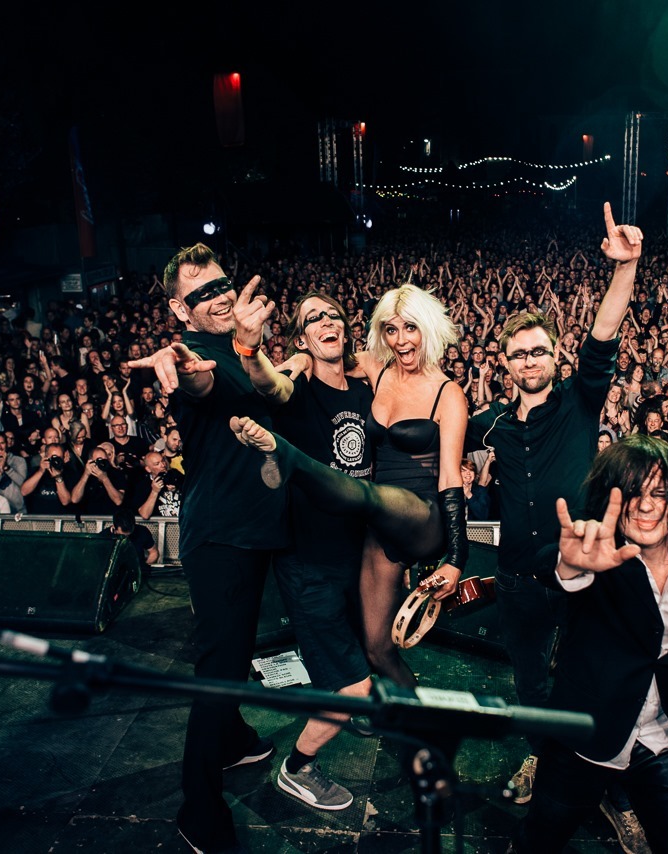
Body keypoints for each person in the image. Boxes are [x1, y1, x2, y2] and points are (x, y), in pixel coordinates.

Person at [464, 203, 648, 845]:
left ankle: (612, 790)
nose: (530, 361)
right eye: (518, 355)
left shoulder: (578, 400)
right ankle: (544, 758)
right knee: (531, 684)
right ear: (505, 364)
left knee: (597, 681)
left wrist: (624, 268)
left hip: (583, 573)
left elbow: (605, 331)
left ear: (554, 355)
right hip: (518, 580)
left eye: (539, 351)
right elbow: (438, 443)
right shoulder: (489, 423)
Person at [232, 279, 470, 691]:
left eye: (410, 328)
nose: (400, 340)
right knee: (377, 648)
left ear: (428, 329)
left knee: (366, 496)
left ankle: (286, 457)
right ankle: (419, 717)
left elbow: (451, 477)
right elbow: (324, 358)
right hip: (378, 528)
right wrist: (300, 359)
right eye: (391, 329)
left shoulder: (448, 393)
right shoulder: (377, 369)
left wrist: (456, 558)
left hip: (421, 515)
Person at [126, 244, 286, 854]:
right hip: (220, 538)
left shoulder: (241, 347)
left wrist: (252, 346)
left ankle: (234, 740)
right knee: (219, 667)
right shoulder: (193, 355)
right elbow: (197, 379)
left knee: (234, 652)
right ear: (179, 309)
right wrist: (179, 361)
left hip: (249, 529)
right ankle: (198, 806)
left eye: (221, 285)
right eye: (200, 294)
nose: (218, 297)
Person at [511, 434, 668, 854]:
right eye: (631, 493)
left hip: (661, 735)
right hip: (584, 735)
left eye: (659, 493)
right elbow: (546, 565)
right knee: (537, 843)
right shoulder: (598, 551)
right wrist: (568, 563)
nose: (646, 506)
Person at [232, 287, 374, 812]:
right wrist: (250, 349)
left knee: (360, 659)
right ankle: (298, 768)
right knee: (352, 688)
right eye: (313, 319)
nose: (326, 321)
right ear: (301, 339)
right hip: (309, 562)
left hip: (357, 557)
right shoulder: (296, 389)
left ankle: (351, 699)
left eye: (333, 313)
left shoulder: (364, 388)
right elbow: (267, 382)